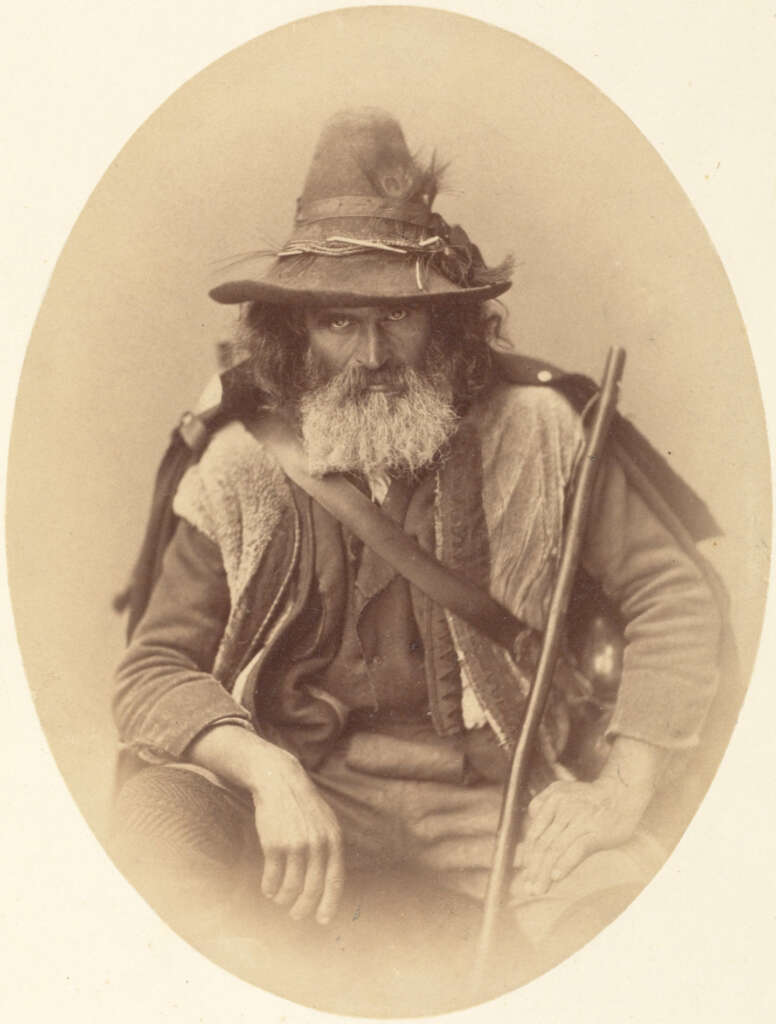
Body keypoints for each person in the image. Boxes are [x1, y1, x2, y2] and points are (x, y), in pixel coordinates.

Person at [110, 108, 725, 1000]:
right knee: (158, 836)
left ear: (447, 327)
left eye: (398, 319)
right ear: (294, 336)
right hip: (309, 783)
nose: (369, 355)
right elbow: (152, 668)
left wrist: (622, 788)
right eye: (336, 322)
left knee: (635, 934)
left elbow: (674, 595)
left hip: (494, 793)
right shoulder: (241, 464)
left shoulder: (543, 432)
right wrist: (268, 772)